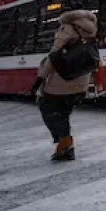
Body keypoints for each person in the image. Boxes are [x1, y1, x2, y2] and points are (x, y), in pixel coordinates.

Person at [30, 8, 97, 161]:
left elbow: (53, 56)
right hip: (81, 80)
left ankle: (65, 142)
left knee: (47, 108)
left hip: (61, 80)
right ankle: (65, 146)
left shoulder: (67, 28)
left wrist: (39, 80)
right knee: (63, 113)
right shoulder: (90, 28)